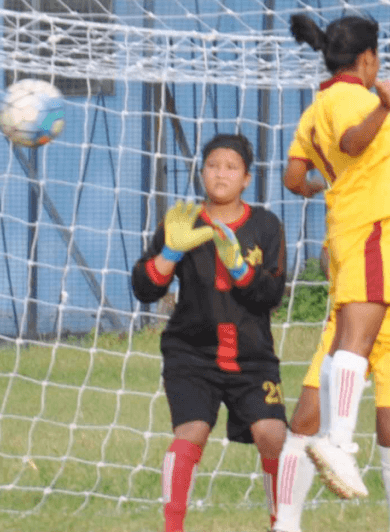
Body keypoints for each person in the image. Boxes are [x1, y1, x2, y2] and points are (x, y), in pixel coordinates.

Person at [274, 113, 390, 532]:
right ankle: (285, 525)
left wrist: (380, 255)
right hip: (347, 325)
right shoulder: (352, 196)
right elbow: (329, 256)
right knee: (304, 421)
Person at [282, 13, 390, 500]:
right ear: (367, 58)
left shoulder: (316, 107)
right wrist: (384, 107)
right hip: (371, 224)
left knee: (341, 340)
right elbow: (352, 142)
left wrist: (323, 186)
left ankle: (332, 436)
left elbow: (293, 177)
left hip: (342, 229)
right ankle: (338, 441)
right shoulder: (359, 98)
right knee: (359, 338)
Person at [131, 134, 288, 532]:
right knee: (192, 431)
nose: (221, 174)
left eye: (231, 167)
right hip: (191, 353)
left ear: (247, 179)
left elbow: (271, 295)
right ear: (201, 173)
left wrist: (240, 269)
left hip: (252, 357)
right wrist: (169, 253)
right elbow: (145, 289)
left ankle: (282, 523)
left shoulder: (266, 225)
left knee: (273, 434)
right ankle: (172, 528)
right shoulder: (181, 219)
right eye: (213, 166)